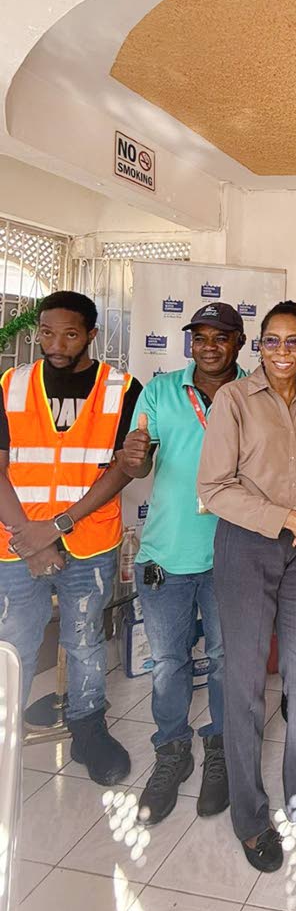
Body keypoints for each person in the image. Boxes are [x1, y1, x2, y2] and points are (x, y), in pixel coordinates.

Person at [197, 300, 296, 874]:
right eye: (272, 341)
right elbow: (215, 489)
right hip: (245, 546)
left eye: (294, 343)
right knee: (245, 681)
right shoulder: (232, 400)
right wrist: (290, 520)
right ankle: (251, 816)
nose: (282, 351)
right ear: (258, 347)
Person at [0, 291, 142, 784]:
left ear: (92, 335)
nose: (56, 344)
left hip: (87, 542)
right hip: (16, 544)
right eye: (46, 332)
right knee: (12, 641)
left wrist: (56, 531)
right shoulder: (10, 385)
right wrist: (31, 539)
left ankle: (87, 728)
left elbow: (123, 470)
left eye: (70, 334)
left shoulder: (121, 387)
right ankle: (3, 733)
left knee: (84, 640)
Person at [120, 303, 247, 825]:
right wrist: (135, 457)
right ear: (190, 341)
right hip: (167, 555)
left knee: (223, 660)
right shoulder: (159, 391)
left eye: (221, 337)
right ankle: (171, 751)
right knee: (169, 663)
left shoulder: (255, 393)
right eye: (200, 336)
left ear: (240, 343)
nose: (210, 346)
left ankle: (218, 749)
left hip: (232, 554)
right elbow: (142, 459)